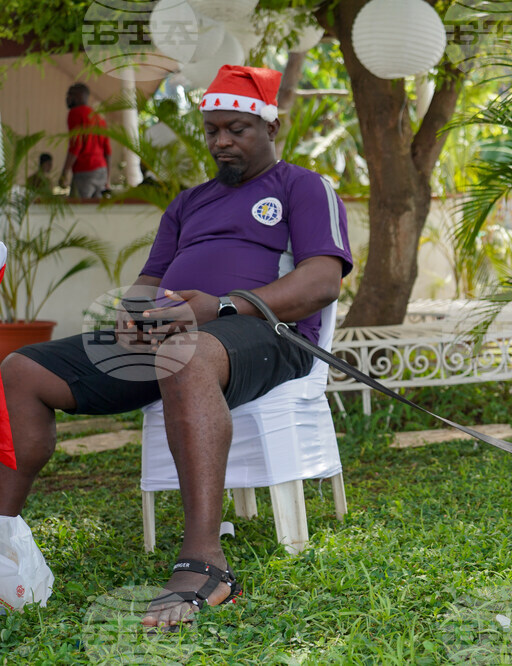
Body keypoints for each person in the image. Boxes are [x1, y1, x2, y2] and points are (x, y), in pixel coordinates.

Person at [0, 65, 353, 628]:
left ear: (271, 125)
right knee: (20, 369)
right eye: (212, 130)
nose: (220, 142)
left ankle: (206, 562)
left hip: (268, 334)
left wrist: (222, 304)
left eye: (235, 129)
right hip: (178, 336)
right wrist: (134, 315)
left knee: (183, 352)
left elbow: (322, 282)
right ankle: (2, 535)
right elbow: (148, 281)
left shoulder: (302, 187)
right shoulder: (189, 203)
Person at [58, 83, 112, 198]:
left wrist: (64, 173)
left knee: (79, 211)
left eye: (70, 95)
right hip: (101, 171)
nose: (67, 98)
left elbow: (76, 146)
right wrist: (108, 178)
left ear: (78, 96)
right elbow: (108, 151)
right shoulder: (99, 118)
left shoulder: (75, 113)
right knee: (95, 212)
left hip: (85, 171)